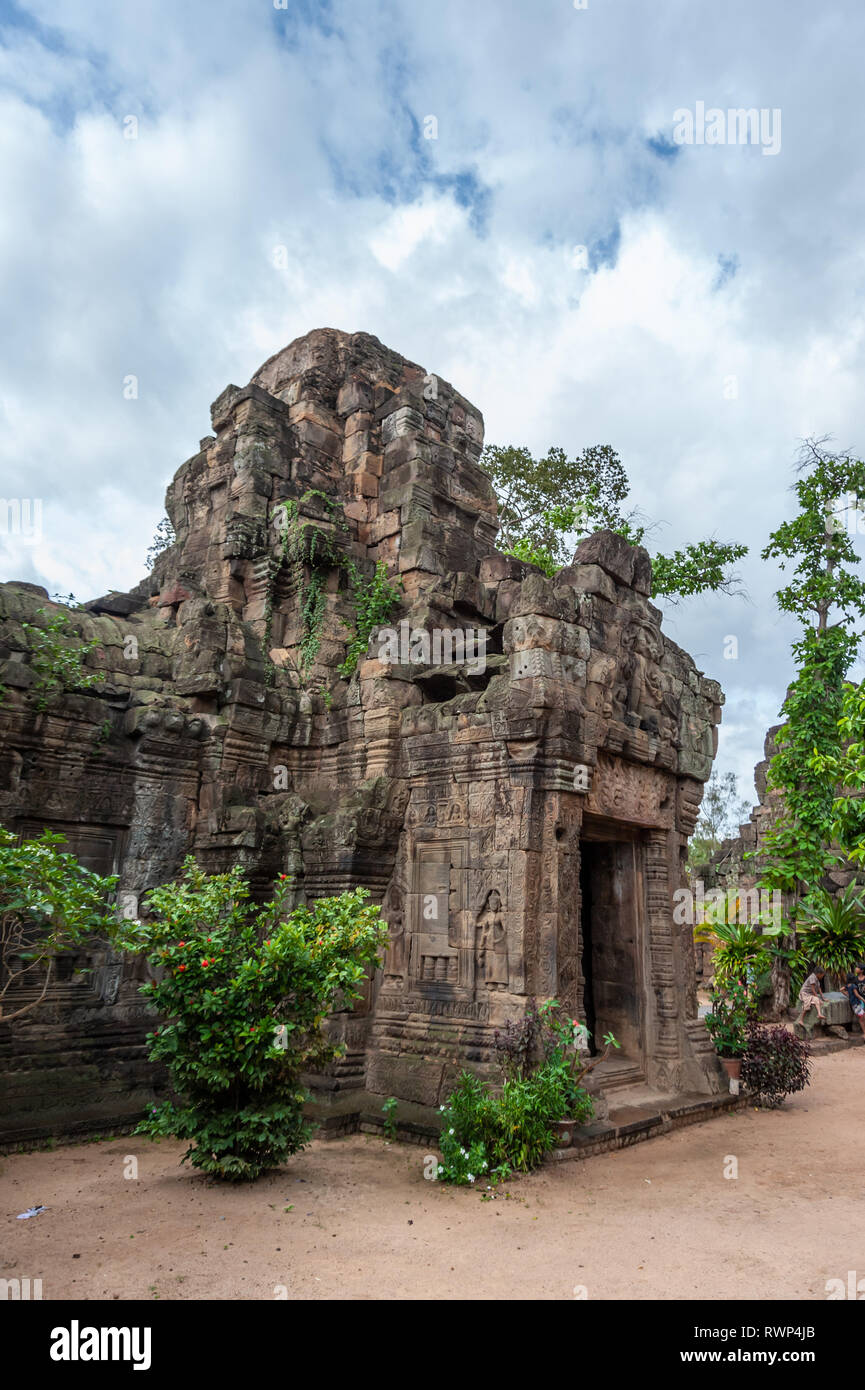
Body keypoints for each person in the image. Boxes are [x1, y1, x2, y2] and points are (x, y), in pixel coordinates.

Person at [846, 965, 865, 1039]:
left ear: (862, 970)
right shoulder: (855, 979)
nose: (856, 968)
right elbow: (849, 988)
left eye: (857, 967)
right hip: (860, 1001)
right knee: (862, 1017)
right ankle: (864, 1032)